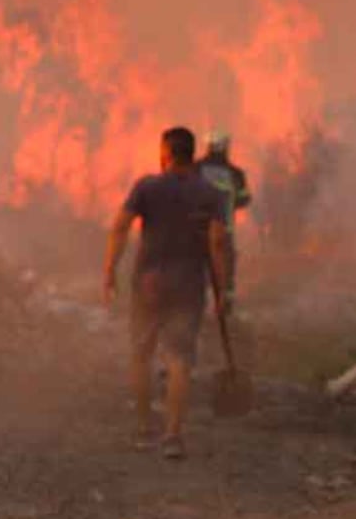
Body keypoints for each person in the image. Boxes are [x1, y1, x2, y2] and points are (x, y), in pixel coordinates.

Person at [103, 127, 230, 460]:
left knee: (141, 355)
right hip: (188, 285)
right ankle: (173, 435)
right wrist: (223, 290)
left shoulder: (147, 186)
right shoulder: (210, 193)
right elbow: (217, 243)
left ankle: (145, 428)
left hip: (148, 283)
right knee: (179, 360)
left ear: (166, 153)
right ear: (192, 154)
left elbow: (120, 227)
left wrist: (109, 272)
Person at [196, 130, 251, 292]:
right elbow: (244, 199)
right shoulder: (235, 173)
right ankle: (225, 308)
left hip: (197, 229)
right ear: (225, 147)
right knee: (225, 270)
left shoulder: (195, 169)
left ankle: (194, 307)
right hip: (224, 229)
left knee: (197, 268)